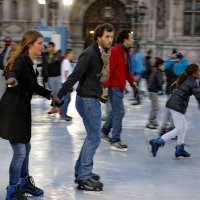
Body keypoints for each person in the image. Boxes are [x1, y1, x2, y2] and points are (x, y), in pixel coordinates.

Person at [0, 30, 59, 200]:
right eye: (40, 43)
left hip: (21, 110)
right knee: (20, 151)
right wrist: (11, 79)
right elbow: (12, 71)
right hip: (12, 111)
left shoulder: (30, 62)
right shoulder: (20, 61)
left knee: (26, 147)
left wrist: (50, 94)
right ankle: (12, 190)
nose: (43, 46)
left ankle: (24, 182)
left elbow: (33, 86)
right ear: (30, 45)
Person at [57, 23, 115, 191]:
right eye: (107, 37)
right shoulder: (89, 54)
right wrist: (60, 94)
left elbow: (96, 77)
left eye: (111, 37)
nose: (110, 40)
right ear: (98, 37)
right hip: (87, 101)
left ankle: (81, 171)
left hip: (91, 98)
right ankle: (84, 177)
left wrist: (101, 93)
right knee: (95, 138)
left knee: (91, 136)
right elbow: (75, 75)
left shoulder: (101, 53)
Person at [149, 64, 200, 158]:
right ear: (194, 73)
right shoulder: (192, 82)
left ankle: (179, 148)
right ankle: (158, 141)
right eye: (198, 71)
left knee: (184, 127)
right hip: (177, 105)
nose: (199, 73)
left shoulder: (186, 79)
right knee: (179, 128)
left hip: (175, 104)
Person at [101, 29, 136, 151]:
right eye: (131, 38)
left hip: (120, 86)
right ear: (125, 40)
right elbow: (109, 70)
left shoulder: (125, 52)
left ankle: (104, 131)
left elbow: (128, 71)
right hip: (114, 86)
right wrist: (105, 88)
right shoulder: (116, 51)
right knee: (119, 112)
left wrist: (133, 84)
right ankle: (115, 140)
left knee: (115, 111)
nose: (133, 40)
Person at [159, 51, 189, 136]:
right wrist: (183, 58)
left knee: (169, 111)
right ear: (177, 60)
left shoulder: (167, 65)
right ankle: (170, 129)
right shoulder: (176, 66)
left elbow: (167, 63)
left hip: (169, 91)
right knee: (174, 112)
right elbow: (185, 65)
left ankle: (164, 128)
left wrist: (171, 58)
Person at [42, 41, 63, 114]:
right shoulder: (46, 56)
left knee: (58, 93)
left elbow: (62, 65)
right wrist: (44, 76)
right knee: (53, 93)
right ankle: (54, 107)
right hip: (50, 77)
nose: (48, 48)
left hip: (58, 77)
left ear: (53, 47)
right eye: (48, 47)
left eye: (50, 47)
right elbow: (44, 66)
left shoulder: (58, 55)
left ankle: (59, 108)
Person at [146, 57, 164, 129]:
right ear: (160, 65)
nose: (163, 66)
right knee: (155, 108)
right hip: (153, 91)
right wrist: (161, 86)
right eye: (162, 65)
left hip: (151, 90)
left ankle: (154, 120)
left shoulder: (155, 70)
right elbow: (160, 82)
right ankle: (150, 122)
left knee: (155, 107)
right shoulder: (159, 71)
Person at [60, 48, 74, 121]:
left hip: (65, 83)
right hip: (66, 84)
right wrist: (69, 84)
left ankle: (63, 113)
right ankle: (63, 114)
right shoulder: (66, 62)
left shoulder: (66, 62)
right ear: (68, 54)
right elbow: (66, 74)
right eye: (72, 53)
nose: (73, 55)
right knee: (66, 99)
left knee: (67, 99)